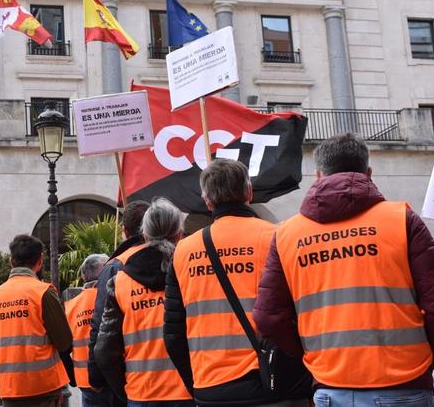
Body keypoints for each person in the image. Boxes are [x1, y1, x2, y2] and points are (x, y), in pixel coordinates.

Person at [254, 133, 434, 406]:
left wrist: (311, 355)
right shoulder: (400, 219)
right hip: (402, 383)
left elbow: (268, 316)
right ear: (369, 172)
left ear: (317, 175)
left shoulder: (287, 234)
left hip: (330, 386)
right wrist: (430, 358)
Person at [165, 159, 309, 406]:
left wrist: (197, 385)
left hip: (211, 386)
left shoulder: (183, 251)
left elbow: (173, 334)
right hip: (274, 383)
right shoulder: (278, 237)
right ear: (249, 192)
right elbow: (303, 312)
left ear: (207, 200)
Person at [95, 198, 193, 406]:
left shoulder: (120, 281)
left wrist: (126, 389)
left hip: (141, 392)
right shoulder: (192, 273)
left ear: (145, 234)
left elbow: (104, 350)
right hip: (189, 391)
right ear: (179, 233)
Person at [0, 234, 72, 407]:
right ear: (40, 261)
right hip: (46, 391)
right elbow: (64, 342)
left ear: (11, 261)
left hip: (10, 392)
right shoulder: (43, 292)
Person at [88, 200, 150, 401]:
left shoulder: (115, 267)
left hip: (130, 376)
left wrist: (96, 376)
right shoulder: (173, 257)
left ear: (124, 230)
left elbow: (101, 327)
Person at [65, 254, 109, 407]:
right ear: (103, 271)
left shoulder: (70, 307)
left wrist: (73, 377)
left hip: (86, 381)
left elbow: (63, 348)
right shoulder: (111, 297)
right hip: (113, 379)